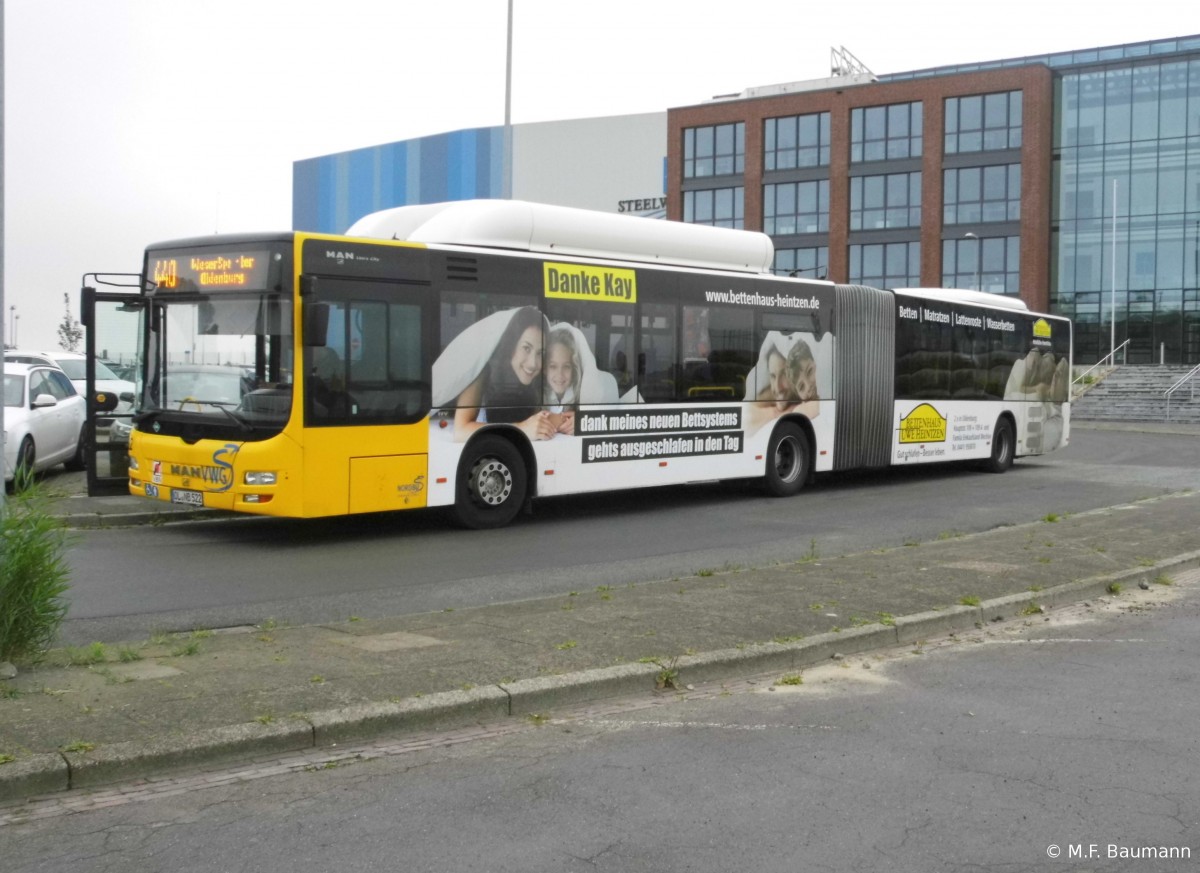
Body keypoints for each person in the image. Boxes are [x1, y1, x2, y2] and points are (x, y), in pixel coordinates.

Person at [443, 306, 555, 442]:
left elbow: (537, 421)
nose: (533, 363)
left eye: (540, 353)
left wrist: (570, 421)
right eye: (526, 348)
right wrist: (521, 429)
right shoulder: (481, 371)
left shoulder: (535, 380)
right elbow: (460, 431)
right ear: (511, 345)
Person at [745, 332, 820, 433]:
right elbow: (746, 416)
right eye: (773, 376)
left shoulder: (810, 400)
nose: (778, 387)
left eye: (784, 375)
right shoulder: (772, 393)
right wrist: (775, 413)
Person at [543, 325, 582, 435]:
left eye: (566, 366)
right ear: (545, 369)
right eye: (553, 366)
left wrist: (581, 421)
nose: (559, 375)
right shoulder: (537, 394)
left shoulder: (581, 396)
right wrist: (562, 420)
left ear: (573, 369)